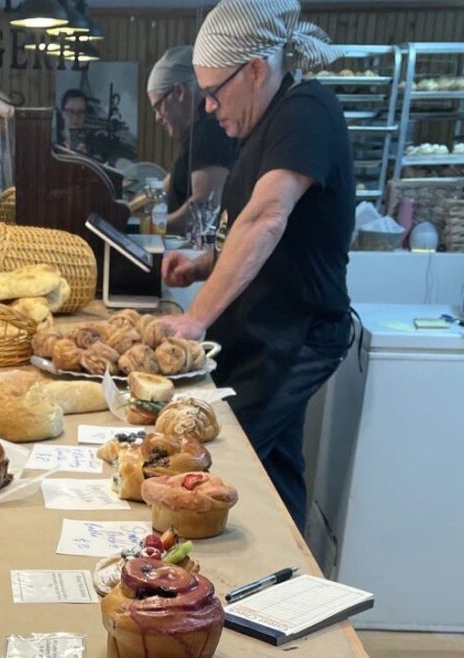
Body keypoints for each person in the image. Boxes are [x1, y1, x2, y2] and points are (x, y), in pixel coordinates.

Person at [159, 0, 354, 531]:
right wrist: (204, 264)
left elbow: (267, 218)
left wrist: (195, 318)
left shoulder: (305, 112)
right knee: (274, 465)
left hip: (297, 333)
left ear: (256, 70)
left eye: (213, 92)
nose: (207, 108)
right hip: (261, 331)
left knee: (216, 461)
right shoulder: (261, 128)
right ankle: (290, 589)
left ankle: (220, 588)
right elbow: (253, 233)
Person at [146, 45, 237, 234]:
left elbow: (204, 209)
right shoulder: (195, 133)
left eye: (158, 107)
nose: (157, 117)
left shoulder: (209, 131)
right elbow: (167, 183)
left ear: (179, 92)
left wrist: (150, 226)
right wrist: (126, 209)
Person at [57, 88, 90, 155]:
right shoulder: (54, 143)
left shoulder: (93, 144)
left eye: (80, 112)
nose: (75, 117)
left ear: (85, 115)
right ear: (63, 113)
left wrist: (87, 159)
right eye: (70, 112)